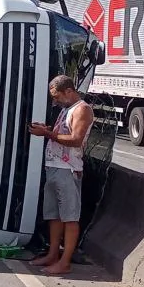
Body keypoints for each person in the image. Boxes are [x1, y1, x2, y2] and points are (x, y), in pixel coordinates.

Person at [27, 74, 93, 275]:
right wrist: (47, 129)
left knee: (69, 217)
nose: (55, 101)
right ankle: (53, 254)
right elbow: (62, 134)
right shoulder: (66, 109)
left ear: (69, 91)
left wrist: (47, 134)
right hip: (54, 166)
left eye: (57, 96)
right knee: (54, 215)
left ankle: (65, 262)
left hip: (68, 169)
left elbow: (75, 139)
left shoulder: (82, 109)